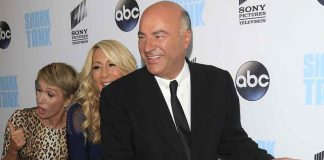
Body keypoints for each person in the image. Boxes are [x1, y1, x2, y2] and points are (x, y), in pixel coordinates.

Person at [100, 1, 297, 160]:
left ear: (186, 38)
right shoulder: (118, 96)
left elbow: (232, 143)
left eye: (158, 36)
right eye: (142, 37)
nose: (148, 47)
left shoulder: (217, 82)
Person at [66, 40, 137, 160]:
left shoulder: (144, 106)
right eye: (97, 67)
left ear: (126, 68)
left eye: (111, 64)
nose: (104, 74)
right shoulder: (80, 113)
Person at [1, 62, 79, 160]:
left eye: (50, 94)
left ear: (68, 99)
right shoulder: (20, 119)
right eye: (39, 90)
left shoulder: (75, 126)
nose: (40, 99)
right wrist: (12, 150)